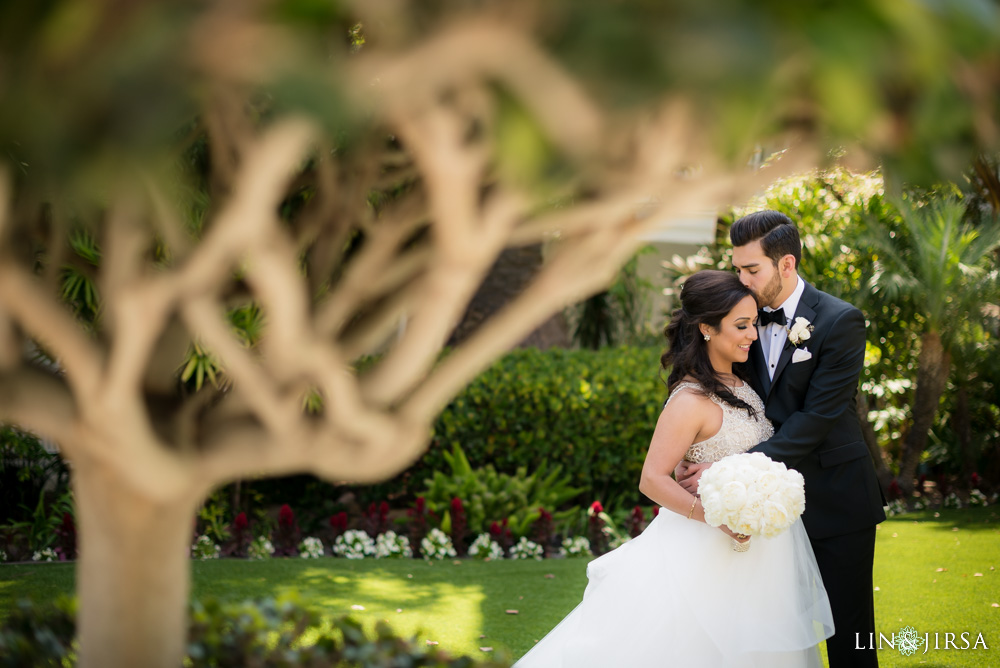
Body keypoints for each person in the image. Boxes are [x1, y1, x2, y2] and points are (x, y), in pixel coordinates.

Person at [514, 270, 833, 668]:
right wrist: (715, 518)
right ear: (706, 329)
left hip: (759, 554)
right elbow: (652, 479)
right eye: (741, 325)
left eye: (753, 323)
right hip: (704, 548)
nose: (752, 334)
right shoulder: (690, 398)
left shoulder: (741, 384)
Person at [677, 210, 886, 668]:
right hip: (761, 509)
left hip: (836, 498)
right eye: (736, 268)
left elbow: (817, 418)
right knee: (769, 631)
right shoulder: (741, 316)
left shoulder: (840, 321)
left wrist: (729, 468)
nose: (742, 279)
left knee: (851, 632)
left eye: (752, 269)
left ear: (786, 264)